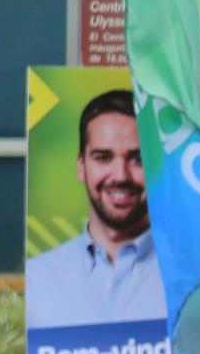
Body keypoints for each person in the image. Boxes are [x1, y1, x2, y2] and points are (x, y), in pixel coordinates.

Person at [24, 89, 162, 328]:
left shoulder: (193, 277)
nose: (120, 176)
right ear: (81, 166)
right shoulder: (38, 277)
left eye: (138, 159)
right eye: (103, 157)